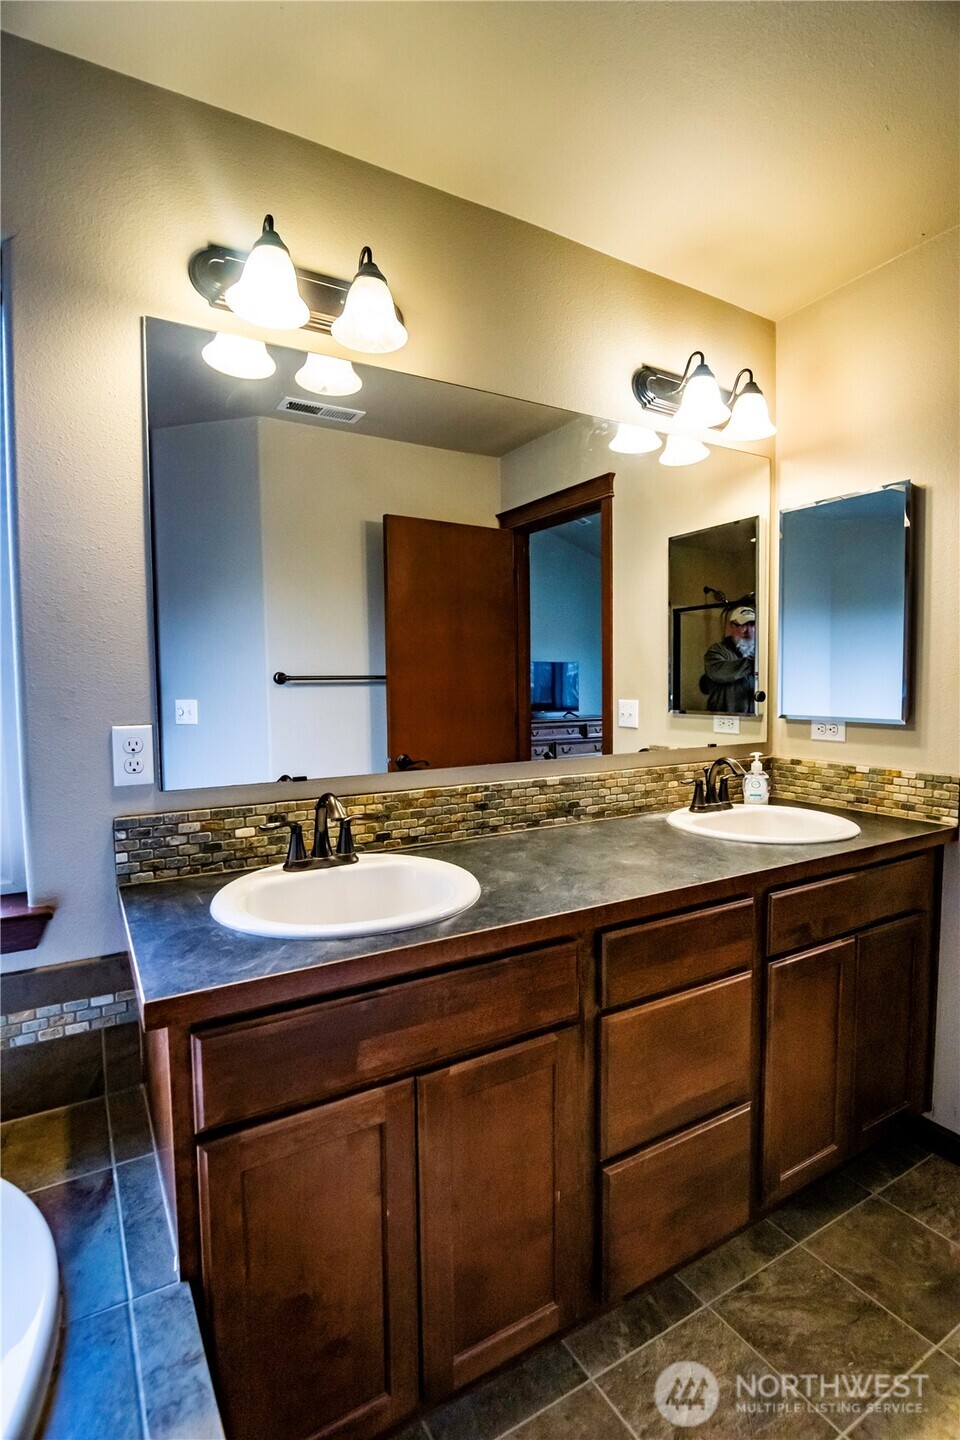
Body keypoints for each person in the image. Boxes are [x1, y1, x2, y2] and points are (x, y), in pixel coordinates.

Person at [702, 604, 756, 714]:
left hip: (753, 723)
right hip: (723, 723)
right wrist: (756, 664)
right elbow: (719, 672)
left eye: (752, 624)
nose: (748, 630)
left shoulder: (761, 653)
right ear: (732, 627)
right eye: (743, 625)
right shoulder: (717, 651)